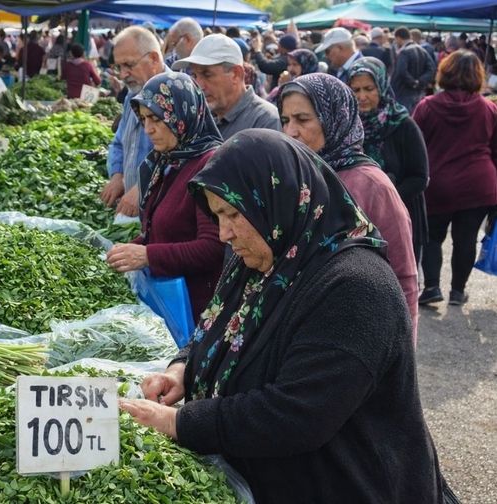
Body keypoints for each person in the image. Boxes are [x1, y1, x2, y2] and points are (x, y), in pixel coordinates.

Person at [119, 129, 445, 504]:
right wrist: (181, 370)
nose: (223, 233)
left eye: (232, 214)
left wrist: (178, 422)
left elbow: (297, 414)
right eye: (216, 215)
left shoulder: (356, 287)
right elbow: (214, 326)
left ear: (276, 199)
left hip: (351, 485)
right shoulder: (264, 257)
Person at [278, 73, 419, 341]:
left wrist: (402, 354)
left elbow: (404, 277)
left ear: (335, 118)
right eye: (285, 120)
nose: (290, 131)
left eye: (303, 119)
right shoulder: (295, 176)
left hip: (357, 334)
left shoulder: (371, 185)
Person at [106, 72, 225, 322]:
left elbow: (213, 248)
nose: (148, 129)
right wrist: (133, 247)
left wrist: (148, 255)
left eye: (156, 120)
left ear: (180, 116)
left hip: (196, 310)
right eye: (144, 119)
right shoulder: (168, 161)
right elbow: (160, 231)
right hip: (167, 300)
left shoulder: (209, 166)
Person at [413, 51, 497, 306]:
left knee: (432, 237)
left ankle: (431, 287)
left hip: (438, 183)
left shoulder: (427, 106)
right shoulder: (489, 109)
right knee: (466, 239)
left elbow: (416, 147)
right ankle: (458, 292)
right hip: (478, 184)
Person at [348, 57, 429, 265]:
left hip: (400, 216)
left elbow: (419, 176)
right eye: (355, 90)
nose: (362, 96)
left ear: (382, 87)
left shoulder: (402, 124)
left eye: (369, 88)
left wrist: (385, 201)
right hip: (358, 223)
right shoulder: (346, 126)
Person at [102, 26, 167, 218]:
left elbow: (180, 161)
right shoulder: (132, 97)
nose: (122, 75)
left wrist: (142, 188)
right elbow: (118, 143)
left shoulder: (177, 98)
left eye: (129, 65)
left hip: (160, 215)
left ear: (154, 59)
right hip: (133, 215)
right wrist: (117, 175)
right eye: (119, 67)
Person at [174, 34, 280, 140]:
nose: (199, 85)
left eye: (207, 74)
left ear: (236, 74)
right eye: (194, 75)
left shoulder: (266, 122)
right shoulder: (200, 118)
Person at [391, 27, 436, 112]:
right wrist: (420, 81)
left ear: (398, 38)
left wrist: (414, 82)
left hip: (402, 94)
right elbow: (431, 69)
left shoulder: (404, 52)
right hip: (418, 94)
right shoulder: (423, 50)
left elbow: (401, 71)